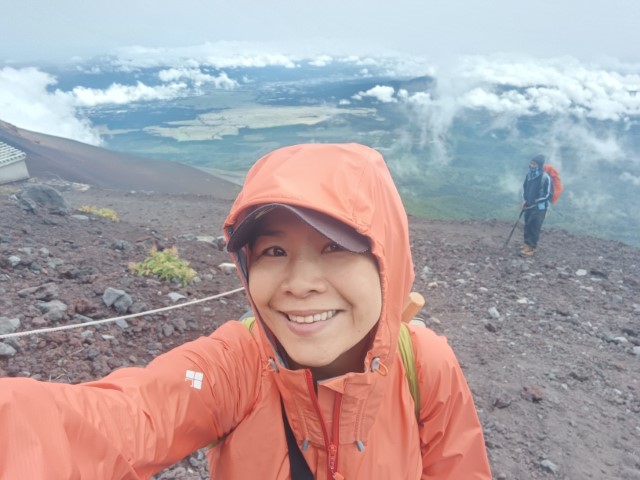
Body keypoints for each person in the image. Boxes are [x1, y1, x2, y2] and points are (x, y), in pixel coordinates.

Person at [0, 143, 491, 479]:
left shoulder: (423, 364)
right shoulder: (235, 366)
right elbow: (116, 419)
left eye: (335, 248)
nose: (299, 284)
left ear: (387, 262)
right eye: (273, 252)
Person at [520, 154, 553, 257]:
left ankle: (531, 247)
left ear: (539, 165)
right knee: (527, 225)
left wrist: (536, 201)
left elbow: (548, 194)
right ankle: (526, 244)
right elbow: (525, 188)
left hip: (539, 208)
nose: (532, 165)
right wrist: (525, 200)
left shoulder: (545, 178)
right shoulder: (529, 175)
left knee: (534, 227)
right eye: (531, 163)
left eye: (534, 163)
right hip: (528, 206)